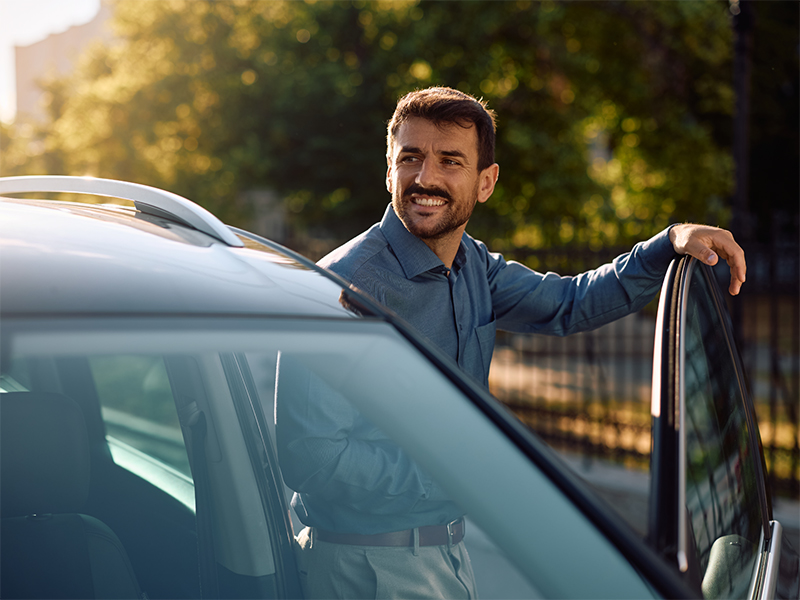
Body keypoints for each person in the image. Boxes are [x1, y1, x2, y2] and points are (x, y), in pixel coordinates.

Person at [276, 86, 746, 599]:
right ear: (389, 169)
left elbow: (569, 303)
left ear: (486, 182)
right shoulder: (341, 290)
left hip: (445, 551)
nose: (425, 177)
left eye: (449, 161)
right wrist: (451, 469)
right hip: (365, 569)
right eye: (410, 158)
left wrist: (669, 243)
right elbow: (310, 458)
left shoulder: (473, 265)